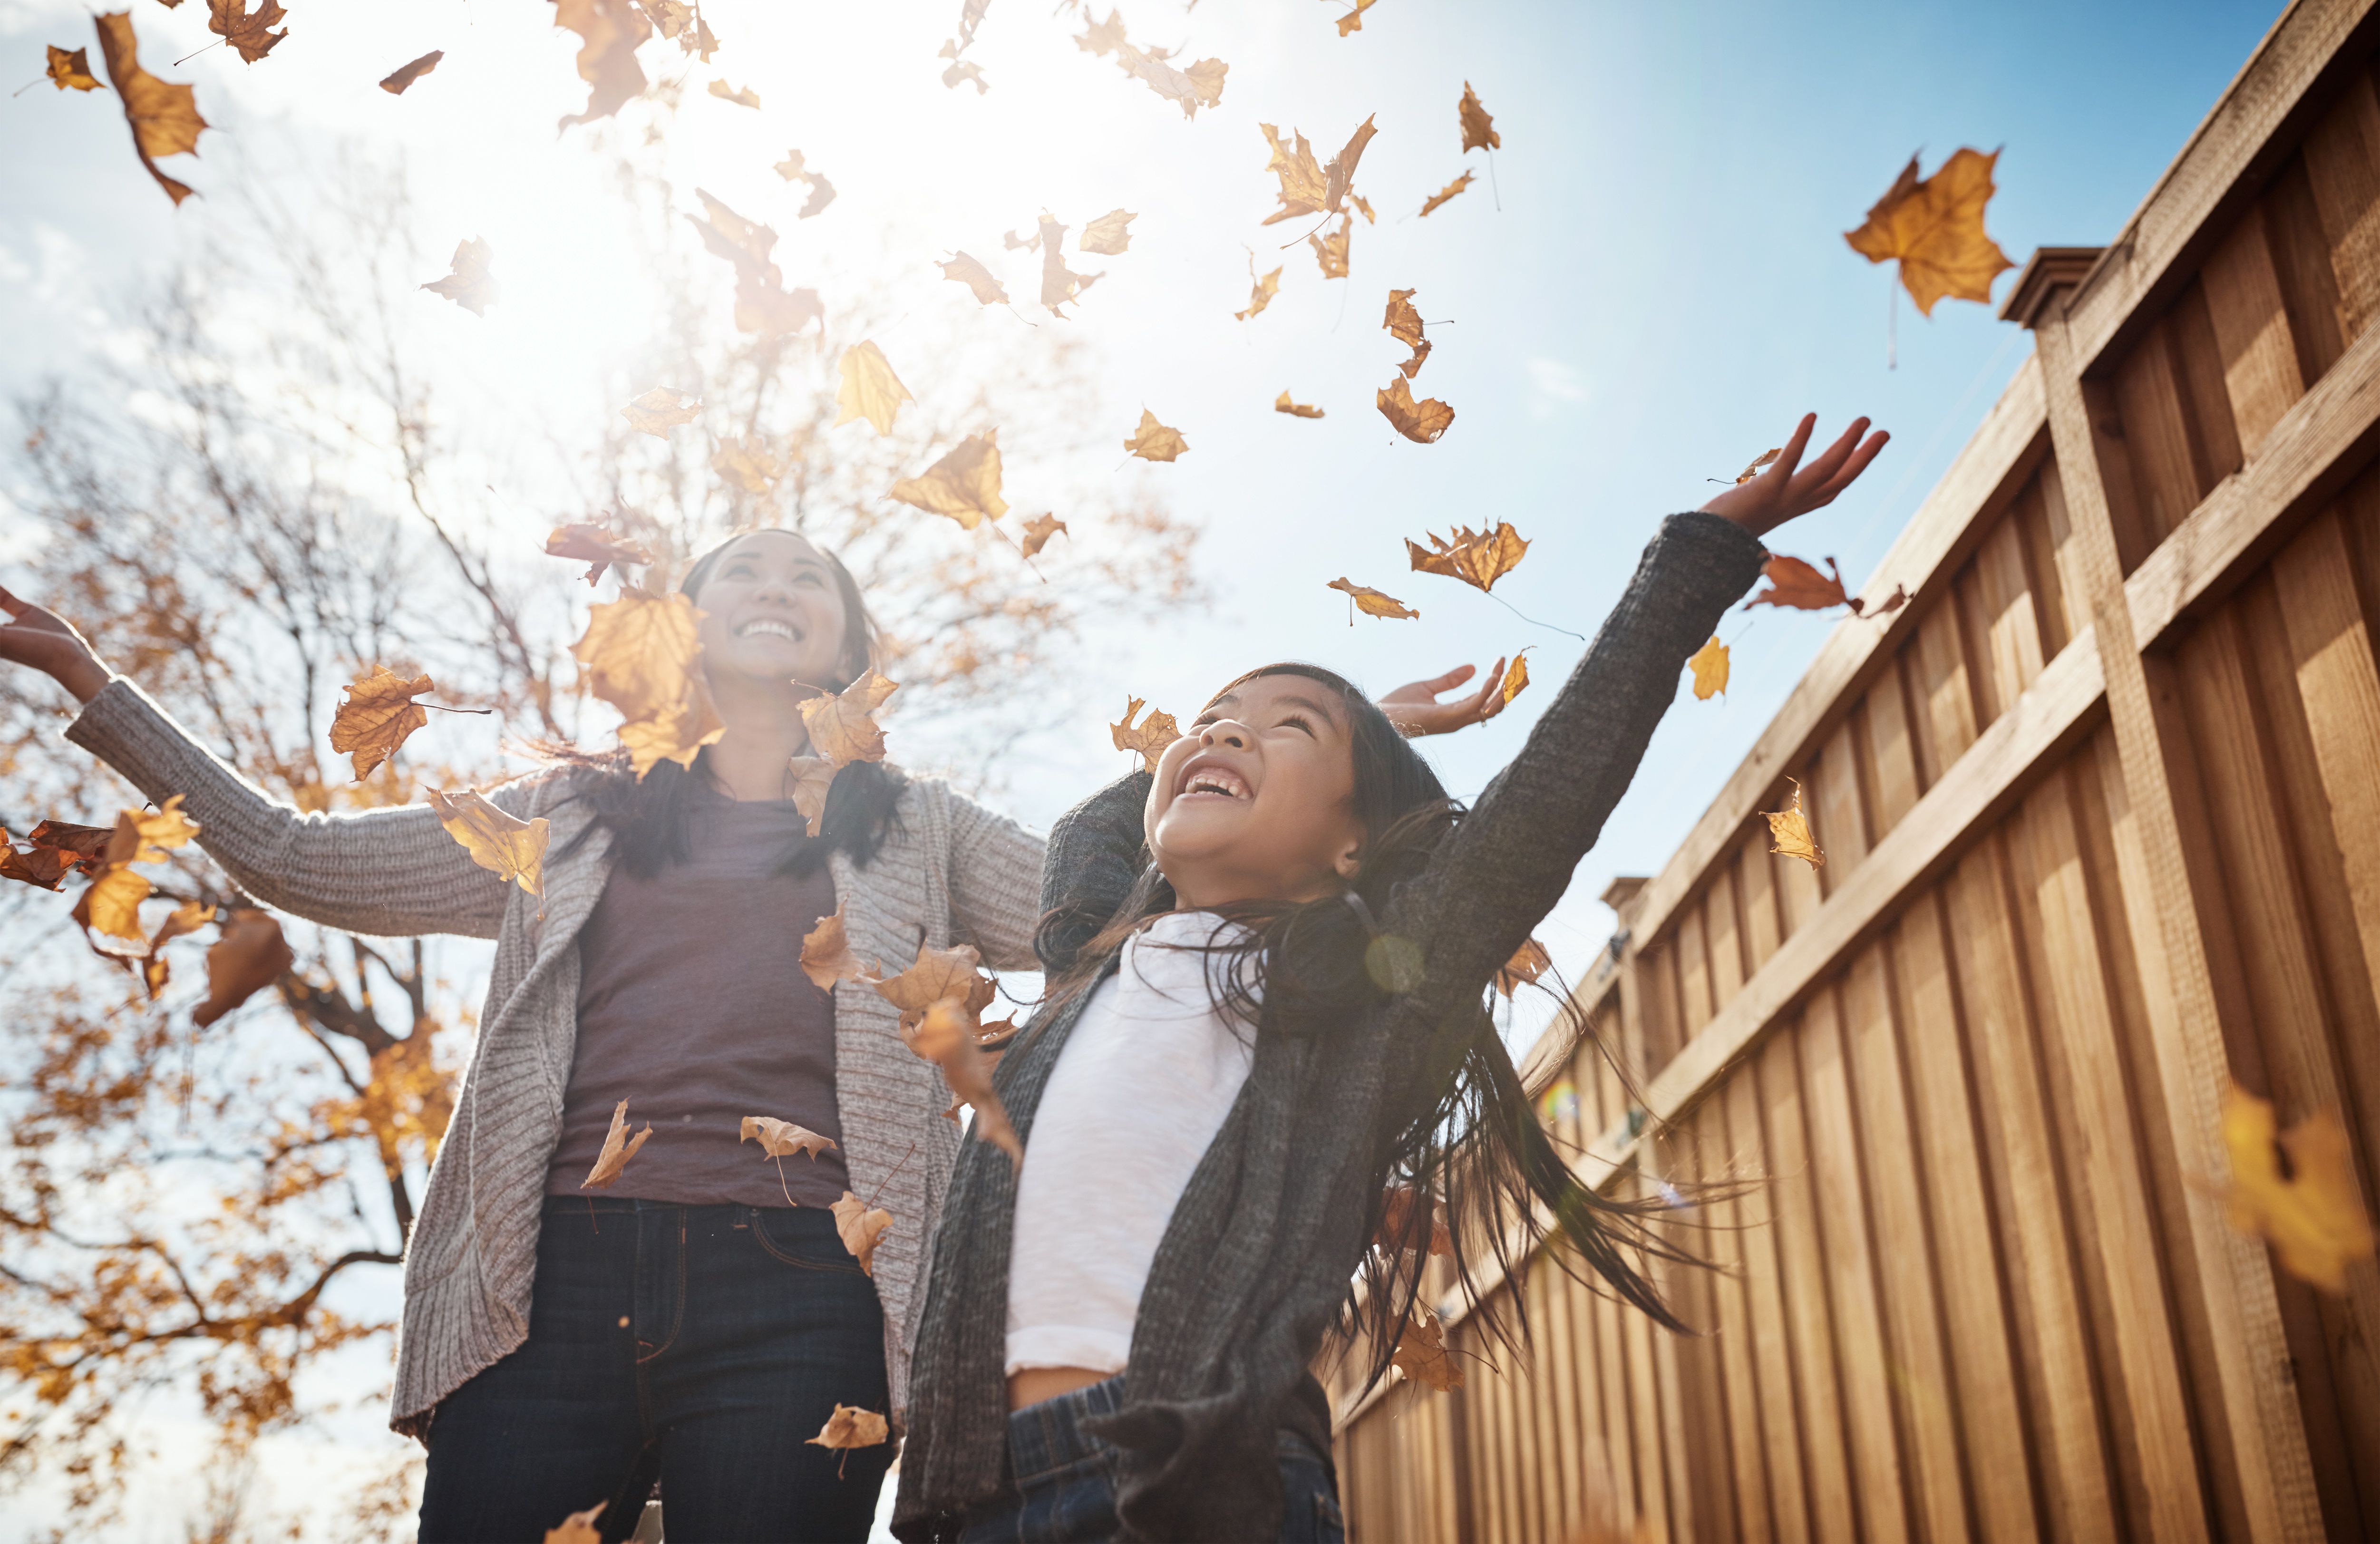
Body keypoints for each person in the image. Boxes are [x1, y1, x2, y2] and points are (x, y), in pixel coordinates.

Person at [0, 526, 1502, 1543]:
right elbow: (293, 856)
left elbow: (1118, 900)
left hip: (806, 1303)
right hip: (545, 1290)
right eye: (741, 571)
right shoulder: (569, 811)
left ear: (845, 638)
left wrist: (1345, 756)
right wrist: (97, 689)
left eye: (809, 577)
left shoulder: (908, 826)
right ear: (686, 626)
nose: (775, 584)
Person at [894, 414, 1889, 1544]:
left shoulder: (1344, 997)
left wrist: (1695, 557)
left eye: (1285, 728)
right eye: (1214, 718)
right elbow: (1094, 823)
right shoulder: (1089, 957)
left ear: (1353, 847)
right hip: (967, 1495)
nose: (1224, 731)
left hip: (1198, 1474)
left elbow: (1543, 803)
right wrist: (1345, 729)